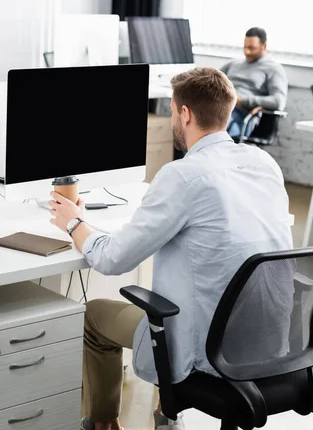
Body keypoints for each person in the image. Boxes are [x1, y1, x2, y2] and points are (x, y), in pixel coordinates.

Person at [48, 67, 293, 430]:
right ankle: (166, 416)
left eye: (172, 109)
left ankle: (103, 424)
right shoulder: (263, 163)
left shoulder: (182, 175)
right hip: (269, 342)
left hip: (208, 351)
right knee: (192, 288)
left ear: (185, 113)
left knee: (95, 316)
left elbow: (113, 259)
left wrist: (72, 222)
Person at [221, 27, 288, 140]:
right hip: (218, 107)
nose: (247, 52)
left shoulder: (273, 69)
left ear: (264, 46)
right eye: (245, 47)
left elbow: (279, 101)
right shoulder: (233, 64)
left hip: (242, 115)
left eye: (252, 48)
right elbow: (209, 81)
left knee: (210, 129)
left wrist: (242, 100)